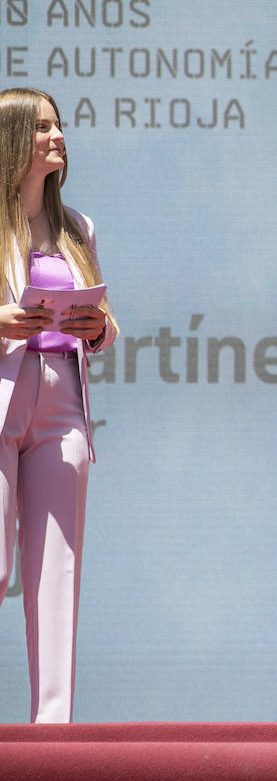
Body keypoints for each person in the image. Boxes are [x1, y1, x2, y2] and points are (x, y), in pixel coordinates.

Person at [0, 88, 117, 723]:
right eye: (42, 127)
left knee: (56, 576)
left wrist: (95, 328)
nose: (57, 136)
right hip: (3, 399)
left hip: (63, 402)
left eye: (59, 125)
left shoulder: (78, 227)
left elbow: (104, 322)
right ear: (15, 139)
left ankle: (53, 735)